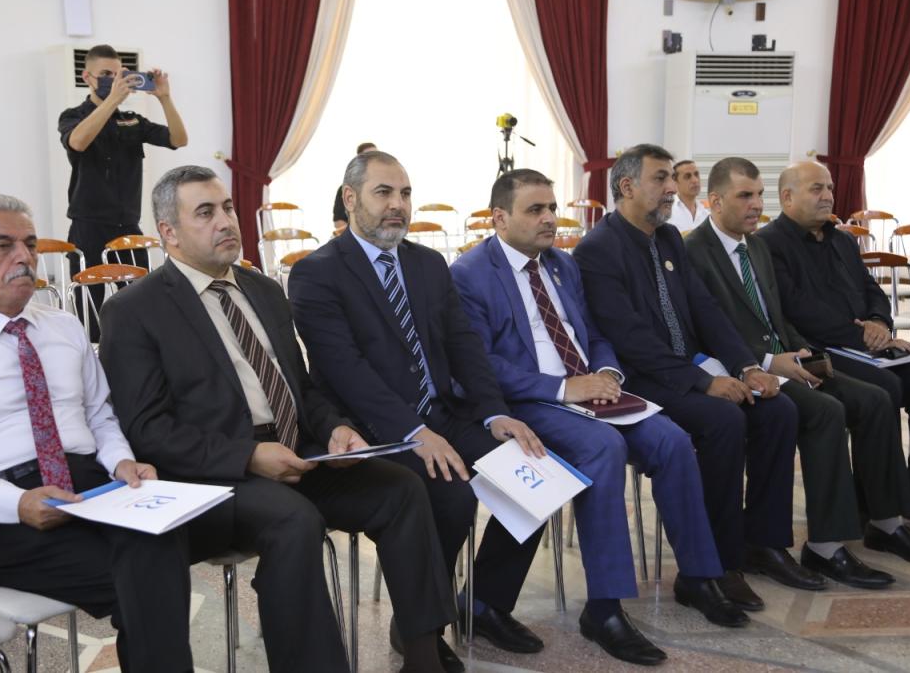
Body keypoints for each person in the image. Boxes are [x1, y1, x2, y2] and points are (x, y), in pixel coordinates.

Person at [98, 165, 455, 673]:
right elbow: (148, 429)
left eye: (227, 208)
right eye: (206, 213)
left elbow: (301, 387)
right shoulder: (135, 309)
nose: (226, 221)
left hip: (294, 450)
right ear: (169, 233)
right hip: (215, 475)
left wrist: (334, 428)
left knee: (401, 488)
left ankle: (422, 654)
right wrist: (248, 456)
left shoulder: (262, 290)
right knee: (294, 520)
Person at [450, 169, 744, 665]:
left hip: (590, 390)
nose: (550, 218)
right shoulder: (469, 274)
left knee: (672, 441)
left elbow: (594, 334)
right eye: (535, 210)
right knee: (604, 448)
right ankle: (604, 609)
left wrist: (606, 372)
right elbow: (477, 365)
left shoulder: (562, 265)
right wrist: (564, 388)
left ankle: (698, 575)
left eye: (551, 207)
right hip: (529, 400)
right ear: (500, 218)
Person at [0, 191, 193, 672]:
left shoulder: (65, 328)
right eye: (3, 245)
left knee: (162, 543)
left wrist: (120, 460)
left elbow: (99, 415)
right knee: (148, 575)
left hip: (90, 488)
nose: (24, 257)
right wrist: (15, 502)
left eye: (31, 244)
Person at [288, 151, 549, 662]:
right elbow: (346, 371)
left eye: (405, 194)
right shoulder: (317, 273)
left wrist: (495, 412)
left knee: (534, 475)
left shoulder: (427, 264)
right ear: (350, 199)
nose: (398, 205)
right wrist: (413, 431)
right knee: (452, 497)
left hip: (443, 412)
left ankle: (485, 603)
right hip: (371, 428)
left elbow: (464, 345)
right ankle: (419, 627)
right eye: (383, 193)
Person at [574, 144, 812, 614]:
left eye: (672, 177)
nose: (673, 188)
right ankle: (716, 564)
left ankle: (763, 543)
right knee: (723, 420)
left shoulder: (666, 238)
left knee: (777, 410)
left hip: (688, 367)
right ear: (627, 186)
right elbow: (630, 339)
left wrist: (746, 367)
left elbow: (706, 309)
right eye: (661, 178)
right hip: (640, 379)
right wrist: (703, 383)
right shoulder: (597, 249)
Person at [686, 156, 910, 586]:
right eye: (745, 196)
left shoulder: (754, 246)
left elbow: (777, 317)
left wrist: (803, 352)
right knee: (826, 412)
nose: (757, 205)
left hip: (788, 357)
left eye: (759, 195)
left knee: (874, 398)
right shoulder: (693, 252)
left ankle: (885, 521)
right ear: (715, 201)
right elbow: (704, 330)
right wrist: (768, 362)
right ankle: (825, 547)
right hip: (748, 367)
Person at [761, 160, 910, 537]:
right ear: (787, 197)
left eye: (830, 188)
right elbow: (797, 310)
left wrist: (880, 322)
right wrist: (865, 335)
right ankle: (877, 508)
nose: (828, 196)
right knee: (885, 389)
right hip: (820, 350)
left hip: (867, 343)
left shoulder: (842, 240)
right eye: (816, 188)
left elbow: (872, 290)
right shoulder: (770, 244)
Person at [59, 43, 188, 337]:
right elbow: (78, 142)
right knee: (88, 310)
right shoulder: (72, 116)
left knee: (140, 307)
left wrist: (165, 98)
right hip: (88, 226)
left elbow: (179, 139)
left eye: (119, 74)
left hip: (127, 226)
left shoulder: (131, 120)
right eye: (106, 74)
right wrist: (111, 101)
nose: (114, 80)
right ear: (87, 77)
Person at [333, 142, 377, 230]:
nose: (374, 159)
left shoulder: (391, 186)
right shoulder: (345, 189)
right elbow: (339, 223)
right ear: (359, 160)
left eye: (377, 155)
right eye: (369, 156)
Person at [668, 160, 710, 233]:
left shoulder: (707, 215)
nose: (695, 180)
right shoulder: (667, 212)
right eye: (687, 176)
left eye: (696, 174)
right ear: (675, 182)